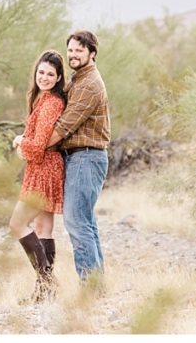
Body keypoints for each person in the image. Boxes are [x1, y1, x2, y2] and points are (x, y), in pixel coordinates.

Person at [45, 30, 111, 283]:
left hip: (86, 157)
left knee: (76, 221)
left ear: (92, 54)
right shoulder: (77, 79)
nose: (73, 55)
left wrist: (33, 149)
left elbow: (63, 127)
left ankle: (90, 287)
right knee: (85, 222)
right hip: (79, 158)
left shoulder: (89, 84)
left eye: (79, 51)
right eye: (70, 50)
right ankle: (96, 284)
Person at [10, 50, 67, 302]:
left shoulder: (52, 103)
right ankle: (43, 293)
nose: (44, 77)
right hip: (46, 167)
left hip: (44, 169)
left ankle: (47, 282)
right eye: (41, 72)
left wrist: (21, 141)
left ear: (58, 78)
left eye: (50, 74)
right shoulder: (42, 100)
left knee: (16, 224)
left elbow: (38, 144)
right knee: (43, 227)